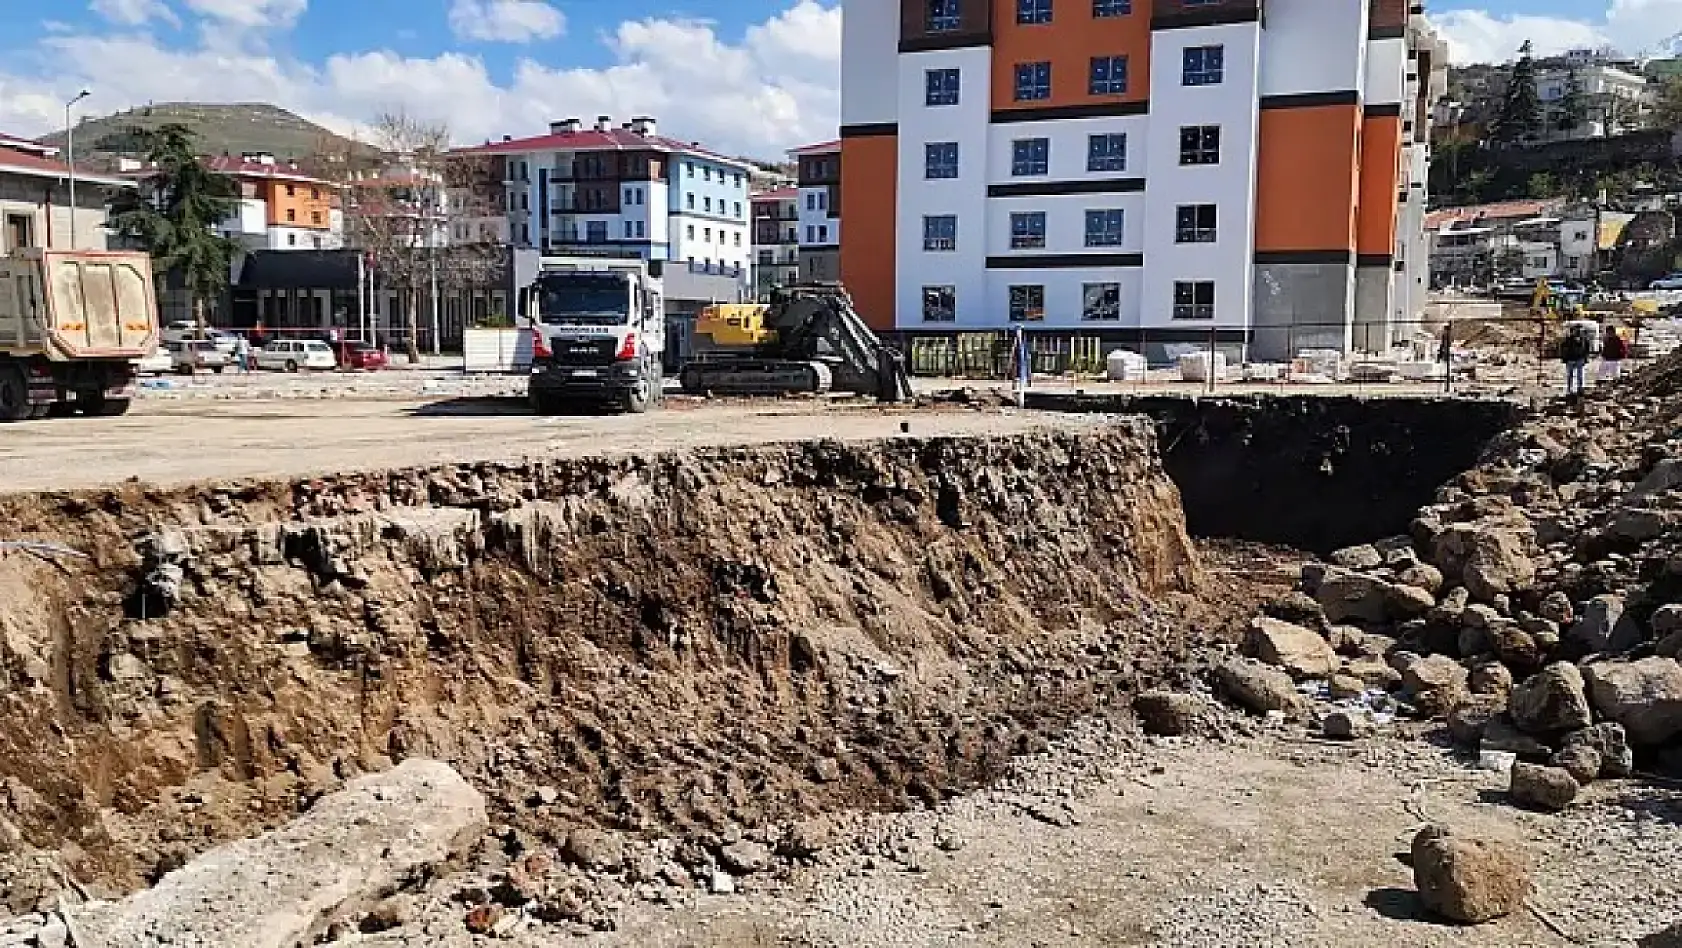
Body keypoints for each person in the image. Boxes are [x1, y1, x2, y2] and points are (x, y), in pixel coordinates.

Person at [1560, 324, 1591, 395]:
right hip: (1570, 359)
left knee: (1580, 375)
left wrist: (1586, 358)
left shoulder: (1584, 339)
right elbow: (1563, 349)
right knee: (1570, 376)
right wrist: (1564, 358)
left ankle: (1580, 389)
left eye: (1580, 330)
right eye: (1577, 330)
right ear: (1573, 331)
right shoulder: (1568, 340)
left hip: (1580, 359)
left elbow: (1587, 350)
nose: (1578, 332)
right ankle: (1570, 389)